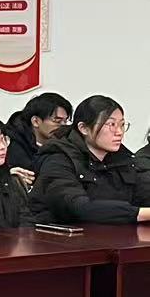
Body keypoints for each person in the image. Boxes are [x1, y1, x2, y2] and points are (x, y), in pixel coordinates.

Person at [31, 93, 150, 226]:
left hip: (111, 234)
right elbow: (79, 207)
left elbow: (142, 194)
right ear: (84, 128)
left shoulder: (123, 159)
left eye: (122, 125)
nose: (119, 132)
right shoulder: (58, 159)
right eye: (111, 124)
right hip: (59, 235)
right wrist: (138, 213)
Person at [6, 91, 71, 180]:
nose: (63, 126)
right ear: (36, 121)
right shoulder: (12, 145)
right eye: (57, 121)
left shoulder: (67, 141)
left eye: (65, 121)